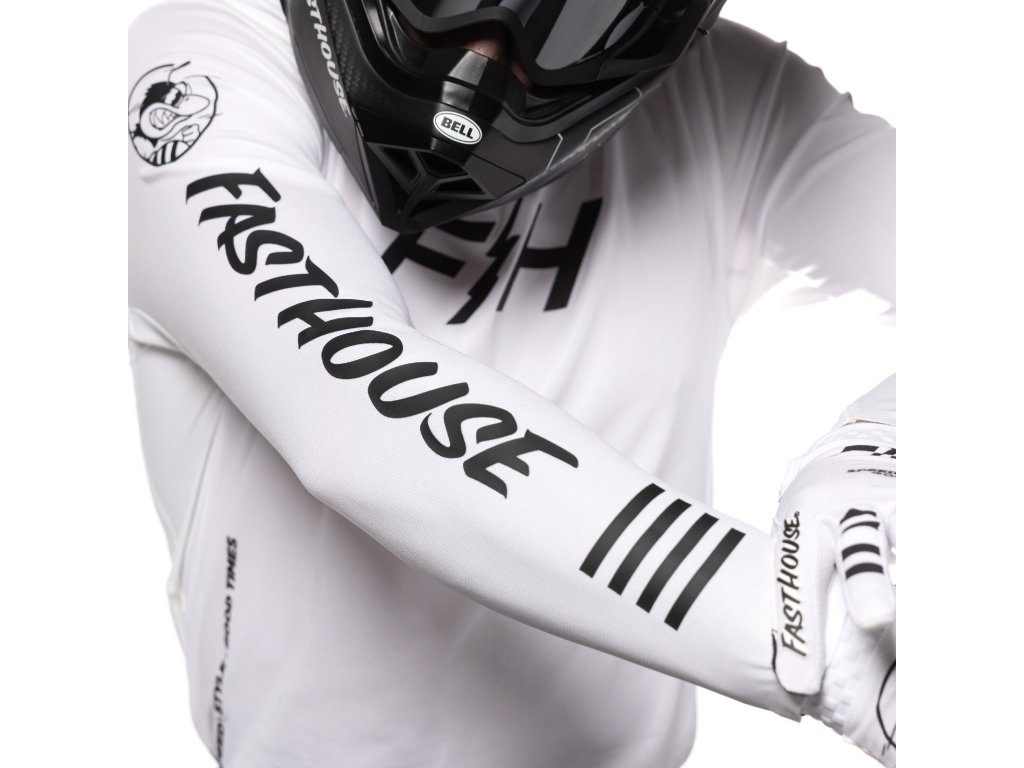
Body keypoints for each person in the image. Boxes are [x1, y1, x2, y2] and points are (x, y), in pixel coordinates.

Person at [126, 0, 896, 766]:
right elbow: (353, 398)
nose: (485, 59)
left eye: (575, 16)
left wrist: (879, 443)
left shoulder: (736, 103)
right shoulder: (203, 63)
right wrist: (800, 624)